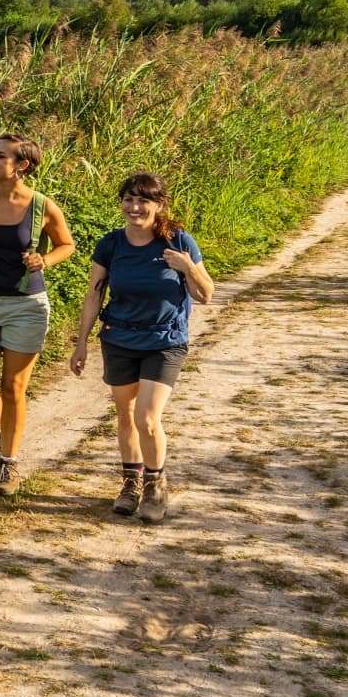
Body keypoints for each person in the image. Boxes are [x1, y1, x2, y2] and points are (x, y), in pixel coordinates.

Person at [71, 170, 216, 522]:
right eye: (129, 199)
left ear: (159, 205)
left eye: (143, 200)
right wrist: (81, 344)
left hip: (164, 340)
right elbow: (94, 294)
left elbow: (206, 295)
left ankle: (155, 484)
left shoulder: (179, 241)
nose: (135, 207)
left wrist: (187, 268)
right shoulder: (111, 243)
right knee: (125, 416)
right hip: (119, 337)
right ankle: (130, 483)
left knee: (147, 418)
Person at [0, 132, 76, 495]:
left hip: (26, 304)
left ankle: (8, 463)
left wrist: (45, 259)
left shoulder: (42, 206)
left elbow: (66, 244)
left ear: (21, 166)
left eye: (1, 156)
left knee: (13, 388)